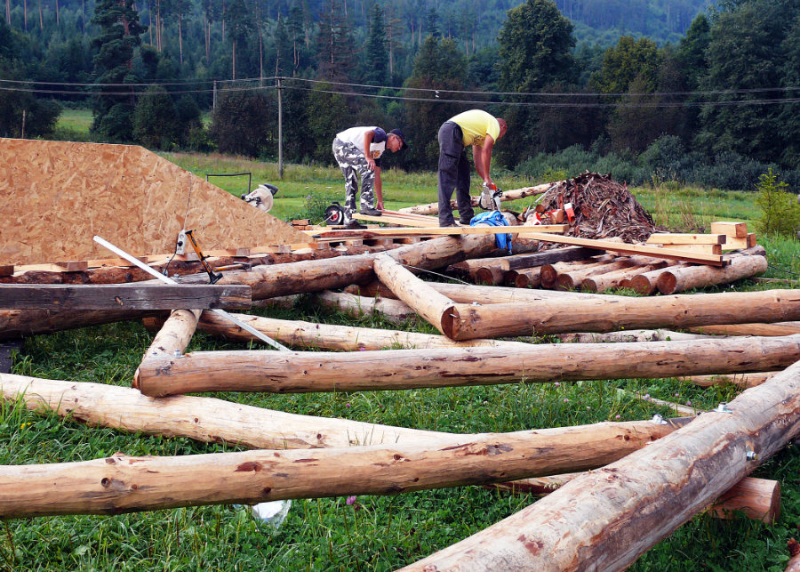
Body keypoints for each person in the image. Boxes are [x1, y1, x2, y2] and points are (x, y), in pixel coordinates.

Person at [436, 109, 507, 227]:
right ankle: (446, 220)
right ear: (503, 127)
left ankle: (466, 216)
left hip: (456, 136)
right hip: (452, 131)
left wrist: (486, 179)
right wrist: (487, 177)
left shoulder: (481, 132)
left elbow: (477, 160)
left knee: (463, 175)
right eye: (501, 136)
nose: (498, 138)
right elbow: (486, 151)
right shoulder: (495, 125)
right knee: (447, 177)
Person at [332, 126, 406, 226]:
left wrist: (380, 201)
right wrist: (367, 157)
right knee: (368, 168)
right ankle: (366, 206)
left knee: (352, 183)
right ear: (393, 138)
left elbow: (377, 176)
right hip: (343, 143)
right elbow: (367, 134)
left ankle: (349, 220)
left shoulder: (378, 152)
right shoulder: (381, 134)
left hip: (339, 145)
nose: (399, 148)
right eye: (400, 143)